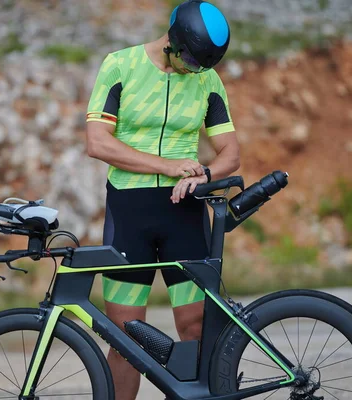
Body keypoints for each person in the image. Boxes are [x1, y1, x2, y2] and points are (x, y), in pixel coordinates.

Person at [85, 1, 240, 399]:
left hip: (184, 215)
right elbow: (97, 142)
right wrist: (168, 165)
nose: (194, 68)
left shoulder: (207, 80)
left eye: (203, 64)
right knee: (125, 343)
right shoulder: (120, 65)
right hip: (129, 214)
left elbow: (230, 155)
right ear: (172, 39)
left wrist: (204, 175)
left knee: (196, 332)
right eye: (190, 58)